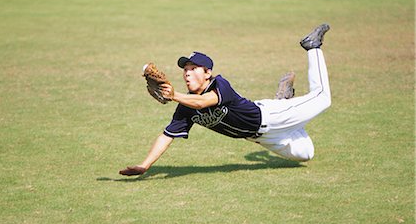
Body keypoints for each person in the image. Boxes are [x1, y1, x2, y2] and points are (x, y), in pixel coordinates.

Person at [119, 24, 331, 176]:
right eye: (185, 70)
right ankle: (284, 100)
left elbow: (204, 103)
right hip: (262, 138)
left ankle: (312, 47)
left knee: (322, 98)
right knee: (306, 154)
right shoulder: (186, 106)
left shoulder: (220, 85)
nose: (187, 73)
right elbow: (167, 136)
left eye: (193, 69)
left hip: (271, 117)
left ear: (208, 72)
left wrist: (174, 96)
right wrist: (145, 166)